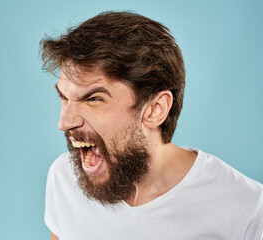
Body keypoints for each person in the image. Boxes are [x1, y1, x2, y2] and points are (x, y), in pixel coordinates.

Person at [40, 11, 263, 240]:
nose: (64, 122)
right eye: (65, 98)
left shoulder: (247, 208)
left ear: (155, 109)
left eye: (94, 99)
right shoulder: (64, 178)